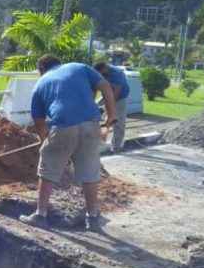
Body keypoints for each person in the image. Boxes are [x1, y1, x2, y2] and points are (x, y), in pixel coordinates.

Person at [20, 55, 118, 232]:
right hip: (91, 125)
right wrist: (111, 115)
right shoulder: (79, 67)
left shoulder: (41, 83)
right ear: (59, 63)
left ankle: (40, 215)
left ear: (41, 69)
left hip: (63, 125)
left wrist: (44, 142)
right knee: (89, 172)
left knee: (48, 168)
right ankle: (93, 218)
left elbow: (39, 121)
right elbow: (106, 87)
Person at [94, 62, 130, 153]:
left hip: (120, 98)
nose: (100, 75)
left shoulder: (117, 73)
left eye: (102, 73)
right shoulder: (99, 72)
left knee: (118, 122)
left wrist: (108, 108)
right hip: (107, 93)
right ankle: (96, 143)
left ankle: (116, 147)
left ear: (106, 68)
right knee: (93, 108)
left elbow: (116, 94)